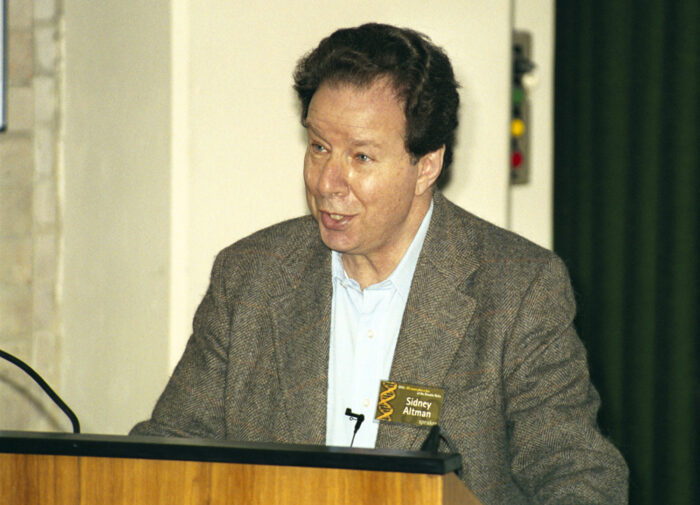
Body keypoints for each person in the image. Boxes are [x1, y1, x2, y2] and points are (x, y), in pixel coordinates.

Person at [131, 23, 628, 504]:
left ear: (426, 165)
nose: (327, 182)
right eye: (320, 147)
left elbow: (578, 474)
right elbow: (166, 454)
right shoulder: (249, 277)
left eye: (361, 157)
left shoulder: (518, 289)